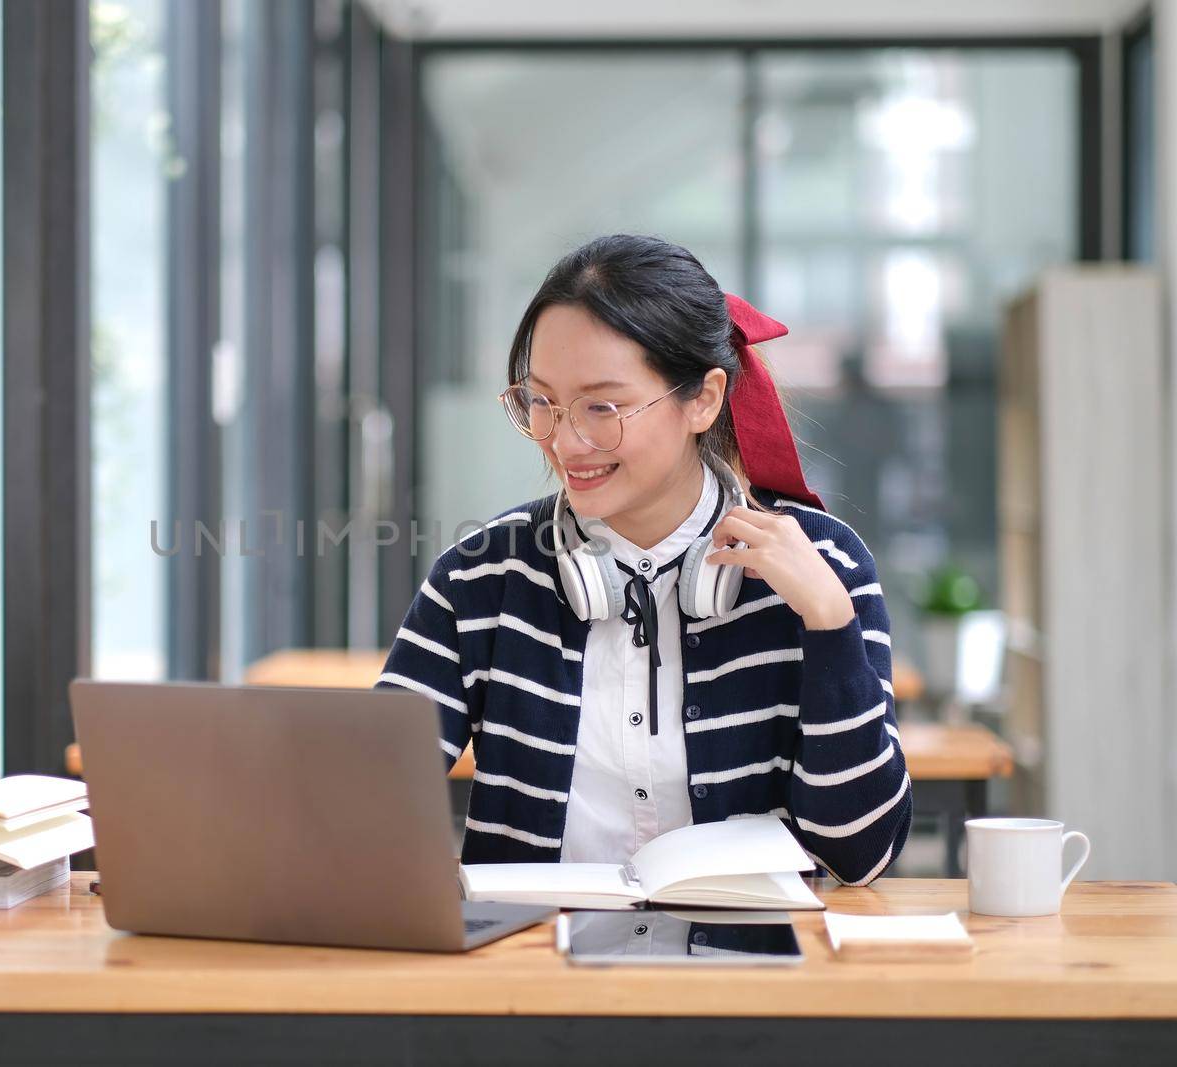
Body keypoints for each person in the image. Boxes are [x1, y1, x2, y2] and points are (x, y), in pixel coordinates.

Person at [377, 233, 911, 886]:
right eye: (542, 402)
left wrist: (829, 624)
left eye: (602, 406)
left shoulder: (825, 566)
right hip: (527, 972)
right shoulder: (481, 576)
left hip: (752, 975)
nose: (566, 440)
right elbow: (368, 813)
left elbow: (860, 854)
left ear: (704, 399)